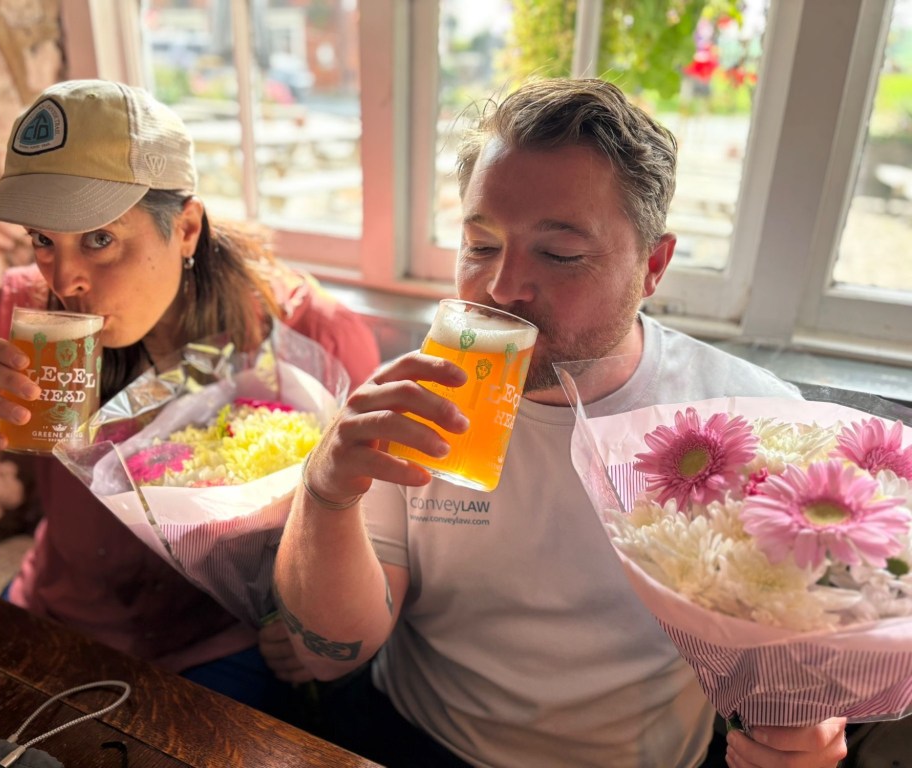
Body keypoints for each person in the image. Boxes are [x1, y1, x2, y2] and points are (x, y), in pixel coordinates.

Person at [272, 79, 849, 767]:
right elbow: (331, 652)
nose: (502, 288)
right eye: (481, 245)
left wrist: (808, 726)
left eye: (560, 254)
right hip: (417, 740)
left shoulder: (748, 418)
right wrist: (325, 490)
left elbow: (809, 636)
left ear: (653, 266)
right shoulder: (409, 404)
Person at [0, 79, 379, 717]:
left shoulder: (309, 333)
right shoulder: (21, 311)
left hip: (220, 647)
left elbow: (380, 530)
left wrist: (312, 618)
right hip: (52, 615)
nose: (65, 281)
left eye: (99, 238)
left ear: (186, 228)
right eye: (43, 239)